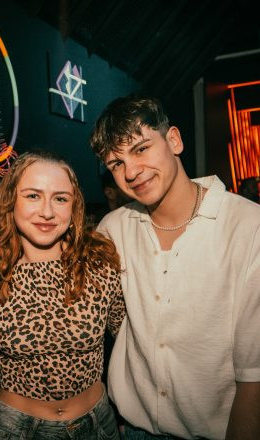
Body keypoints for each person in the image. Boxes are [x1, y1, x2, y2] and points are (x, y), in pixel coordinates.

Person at [90, 95, 260, 440]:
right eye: (116, 163)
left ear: (174, 140)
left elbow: (253, 375)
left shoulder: (247, 226)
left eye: (141, 149)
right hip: (132, 430)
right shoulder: (112, 229)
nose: (131, 172)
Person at [0, 150, 125, 440]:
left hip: (96, 424)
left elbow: (131, 341)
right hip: (15, 429)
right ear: (11, 200)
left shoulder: (100, 263)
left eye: (60, 198)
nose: (47, 212)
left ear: (74, 206)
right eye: (33, 196)